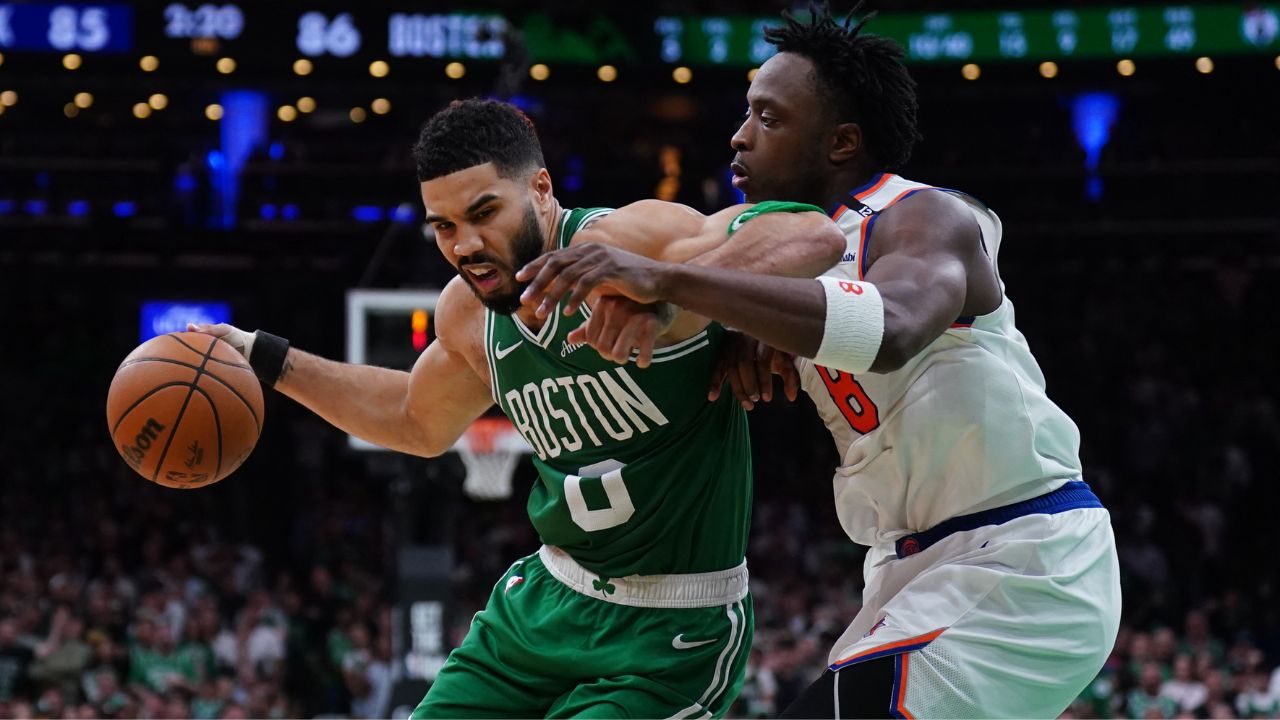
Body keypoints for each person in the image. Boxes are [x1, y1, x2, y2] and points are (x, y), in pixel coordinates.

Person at [517, 5, 1122, 717]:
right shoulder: (793, 259)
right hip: (908, 568)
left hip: (1023, 555)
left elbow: (892, 326)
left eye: (769, 119)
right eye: (746, 114)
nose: (739, 136)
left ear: (840, 144)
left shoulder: (925, 217)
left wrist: (673, 281)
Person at [191, 98, 844, 717]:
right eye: (444, 227)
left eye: (484, 213)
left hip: (670, 631)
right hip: (544, 603)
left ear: (540, 190)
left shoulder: (628, 242)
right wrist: (266, 357)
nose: (465, 245)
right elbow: (415, 421)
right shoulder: (468, 313)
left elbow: (809, 232)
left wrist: (670, 292)